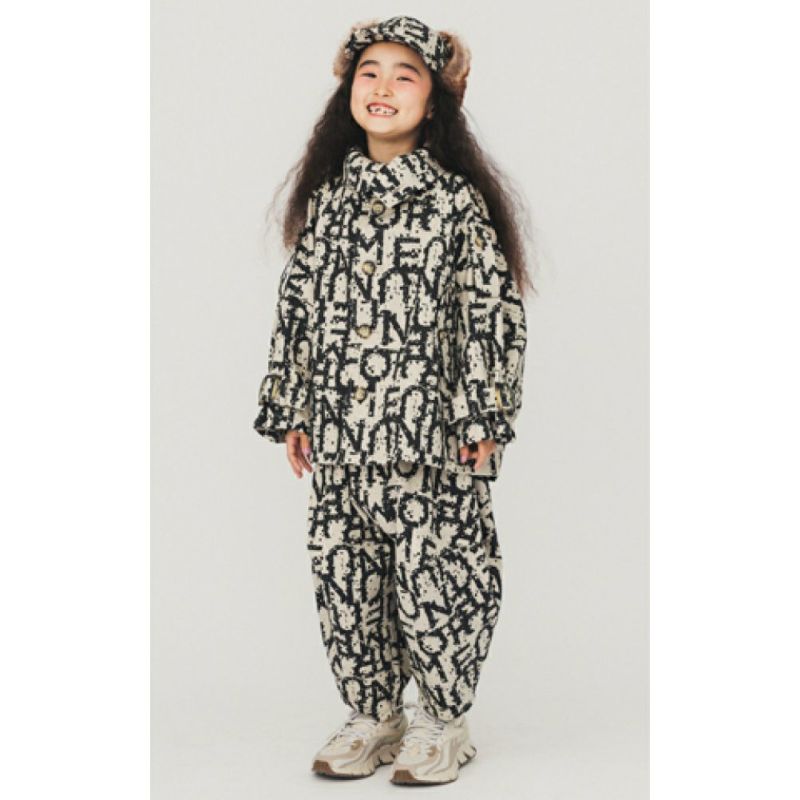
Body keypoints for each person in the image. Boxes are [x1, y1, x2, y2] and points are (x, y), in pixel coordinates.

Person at [253, 15, 534, 786]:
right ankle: (374, 712)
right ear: (348, 91)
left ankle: (442, 721)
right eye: (368, 73)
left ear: (434, 102)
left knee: (439, 579)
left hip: (430, 444)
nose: (382, 87)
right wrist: (294, 406)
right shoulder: (330, 202)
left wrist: (485, 414)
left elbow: (490, 314)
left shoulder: (454, 205)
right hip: (342, 441)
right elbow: (299, 308)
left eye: (404, 75)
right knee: (347, 580)